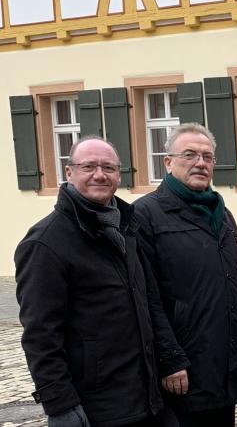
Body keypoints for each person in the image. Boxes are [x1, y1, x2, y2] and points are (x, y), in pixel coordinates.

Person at [16, 137, 178, 427]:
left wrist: (169, 361)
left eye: (108, 167)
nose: (100, 175)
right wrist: (60, 404)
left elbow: (148, 302)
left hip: (146, 398)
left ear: (119, 175)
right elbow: (40, 335)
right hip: (97, 406)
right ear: (69, 173)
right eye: (88, 166)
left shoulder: (126, 227)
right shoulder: (46, 242)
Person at [134, 123, 237, 426]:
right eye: (189, 155)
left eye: (207, 157)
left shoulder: (221, 212)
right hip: (184, 362)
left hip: (225, 357)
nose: (200, 163)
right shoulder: (145, 214)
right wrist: (170, 358)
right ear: (168, 162)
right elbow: (146, 297)